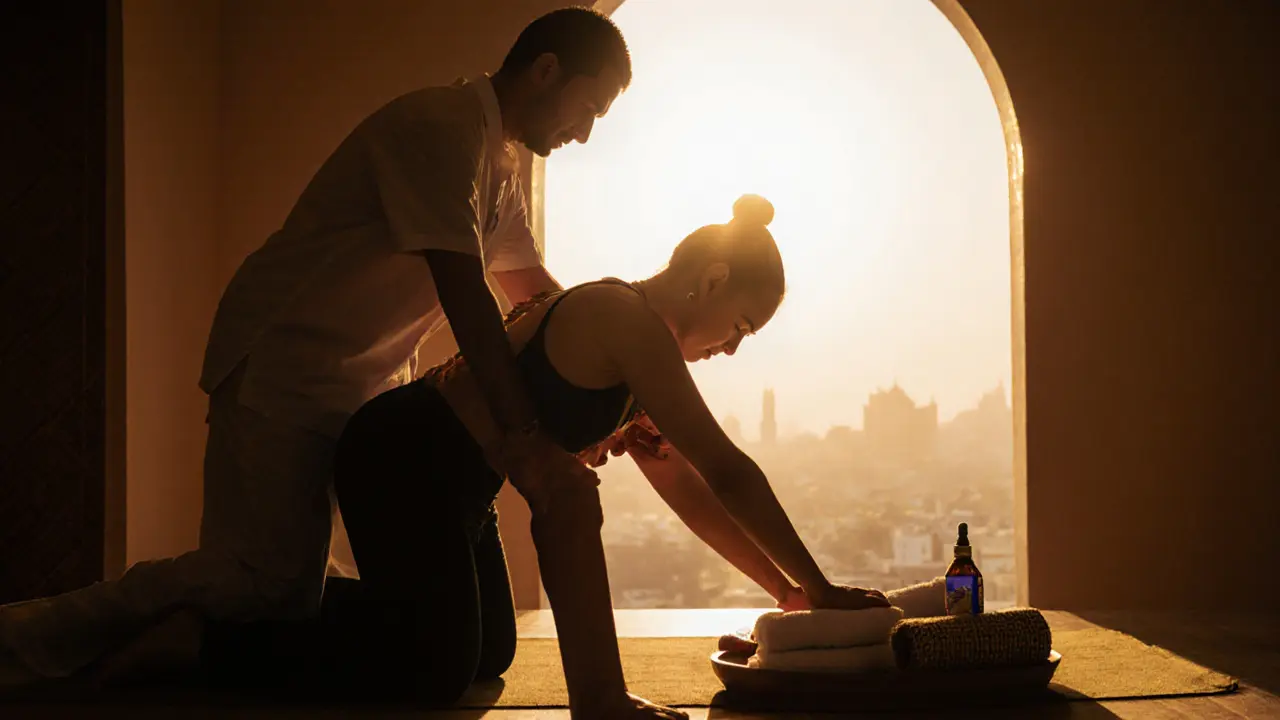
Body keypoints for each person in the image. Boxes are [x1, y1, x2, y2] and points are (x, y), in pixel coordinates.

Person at [0, 6, 641, 687]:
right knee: (254, 581)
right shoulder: (441, 126)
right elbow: (467, 296)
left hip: (362, 382)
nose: (586, 130)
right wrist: (529, 434)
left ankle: (158, 645)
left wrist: (620, 386)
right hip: (285, 365)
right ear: (547, 70)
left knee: (291, 591)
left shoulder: (500, 162)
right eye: (591, 107)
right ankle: (23, 643)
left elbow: (535, 296)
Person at [261, 195, 890, 718]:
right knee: (435, 671)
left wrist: (787, 592)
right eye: (742, 327)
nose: (732, 349)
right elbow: (727, 469)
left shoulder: (643, 355)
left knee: (490, 654)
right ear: (714, 280)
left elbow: (690, 488)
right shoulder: (621, 319)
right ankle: (242, 628)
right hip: (400, 457)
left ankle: (339, 611)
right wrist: (822, 588)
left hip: (462, 492)